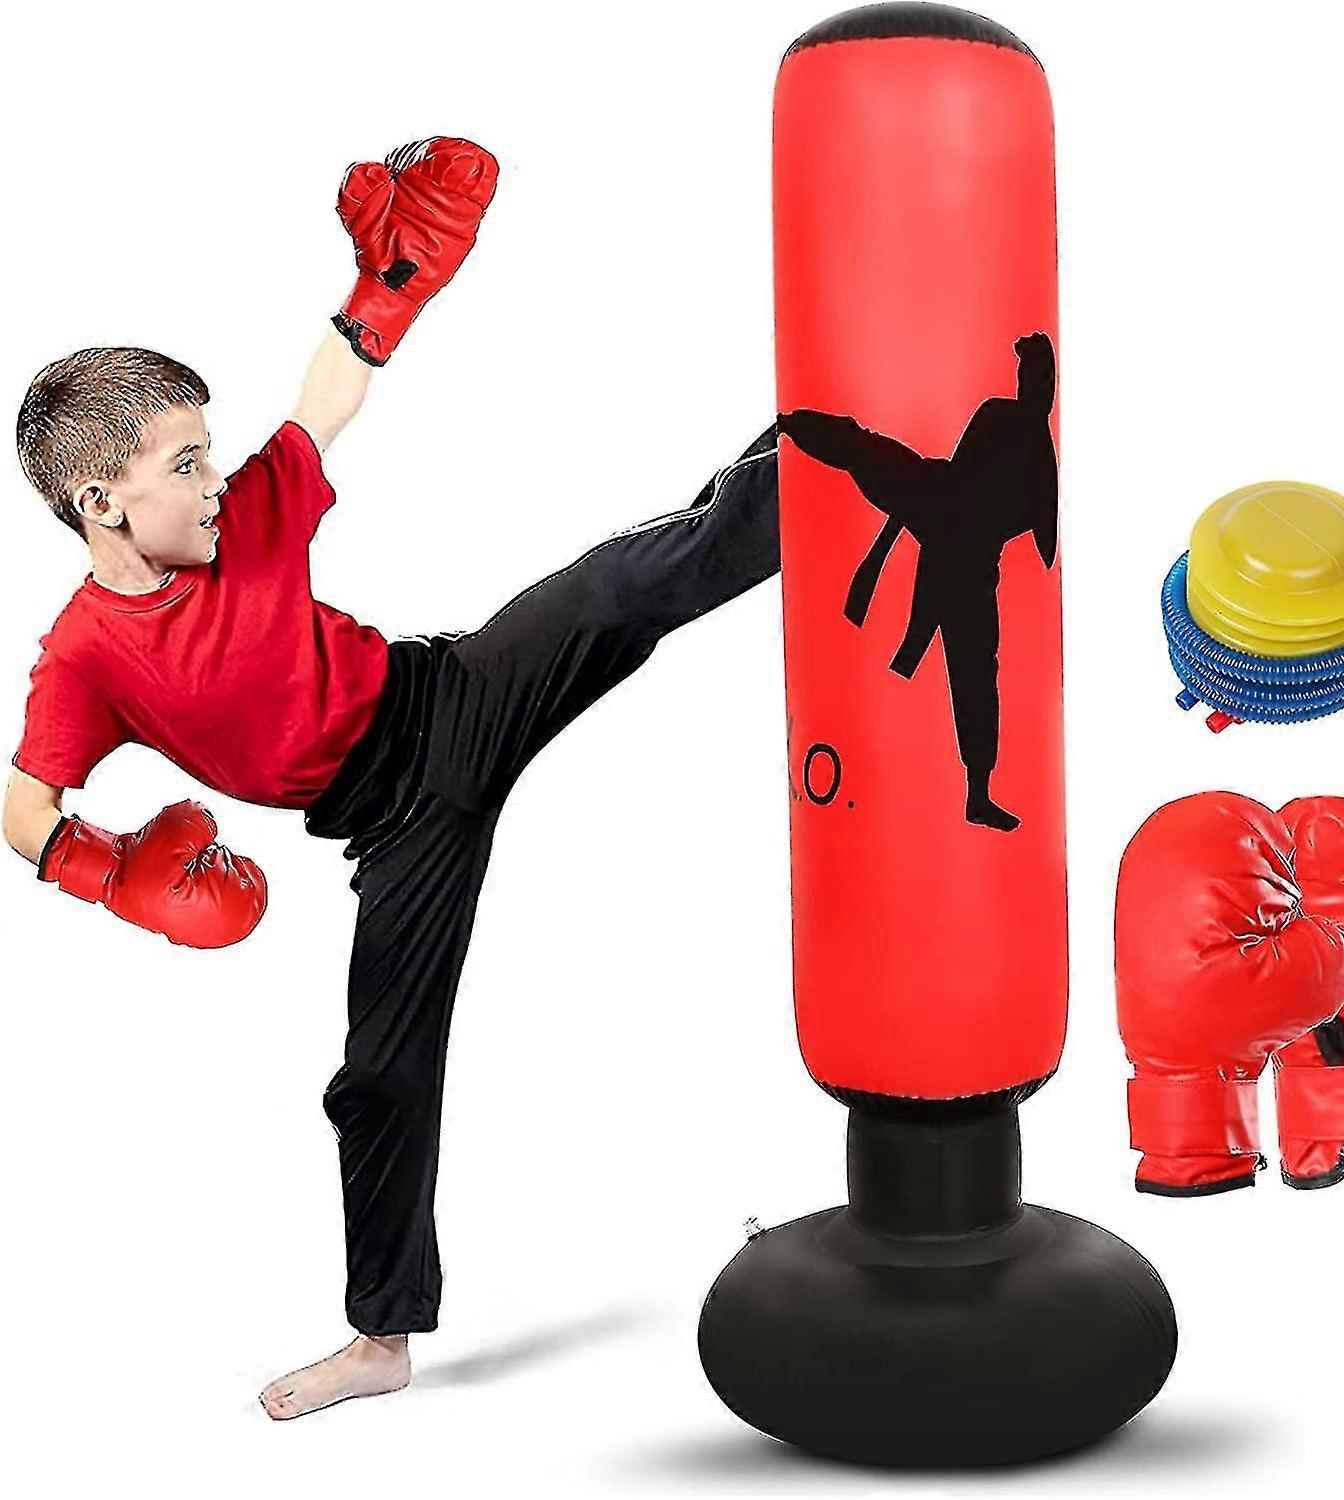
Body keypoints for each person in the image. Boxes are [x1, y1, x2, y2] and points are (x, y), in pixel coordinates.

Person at [3, 136, 779, 1419]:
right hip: (394, 829)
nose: (215, 482)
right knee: (377, 1079)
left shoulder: (244, 518)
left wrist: (387, 288)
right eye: (183, 467)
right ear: (101, 501)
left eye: (207, 454)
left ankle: (839, 445)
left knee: (629, 581)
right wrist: (107, 872)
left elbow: (323, 400)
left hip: (453, 696)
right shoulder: (85, 657)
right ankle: (382, 1339)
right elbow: (23, 808)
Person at [779, 333, 1057, 831]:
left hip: (967, 552)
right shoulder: (1001, 419)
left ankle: (977, 793)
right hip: (946, 510)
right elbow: (979, 482)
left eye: (1037, 375)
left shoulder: (1038, 455)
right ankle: (793, 425)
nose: (1032, 384)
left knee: (975, 680)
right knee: (866, 450)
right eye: (1029, 373)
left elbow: (1044, 540)